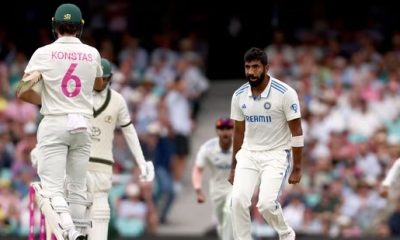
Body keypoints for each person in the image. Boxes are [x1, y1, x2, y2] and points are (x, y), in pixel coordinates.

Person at [16, 3, 103, 240]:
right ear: (80, 28)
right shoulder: (93, 53)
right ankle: (80, 231)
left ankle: (70, 232)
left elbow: (21, 92)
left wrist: (46, 97)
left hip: (55, 121)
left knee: (52, 187)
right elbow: (97, 84)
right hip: (83, 123)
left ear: (54, 26)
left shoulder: (42, 53)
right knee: (76, 187)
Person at [228, 47, 303, 240]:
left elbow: (297, 132)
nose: (251, 72)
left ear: (266, 67)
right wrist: (233, 167)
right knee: (237, 200)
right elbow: (238, 132)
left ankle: (286, 234)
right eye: (248, 67)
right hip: (249, 153)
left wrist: (297, 167)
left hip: (276, 154)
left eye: (256, 67)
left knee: (266, 205)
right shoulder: (239, 95)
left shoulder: (285, 93)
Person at [86, 58, 154, 240]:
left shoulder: (117, 100)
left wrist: (141, 163)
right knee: (77, 216)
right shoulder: (78, 97)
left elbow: (130, 132)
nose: (100, 82)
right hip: (78, 164)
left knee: (101, 214)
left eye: (104, 78)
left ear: (111, 78)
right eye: (96, 78)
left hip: (103, 166)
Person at [192, 118, 234, 240]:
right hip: (217, 189)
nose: (225, 132)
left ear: (233, 131)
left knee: (229, 209)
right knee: (221, 223)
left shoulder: (241, 146)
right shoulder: (208, 148)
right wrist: (198, 189)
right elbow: (198, 170)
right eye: (222, 129)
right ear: (217, 131)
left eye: (228, 129)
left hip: (234, 187)